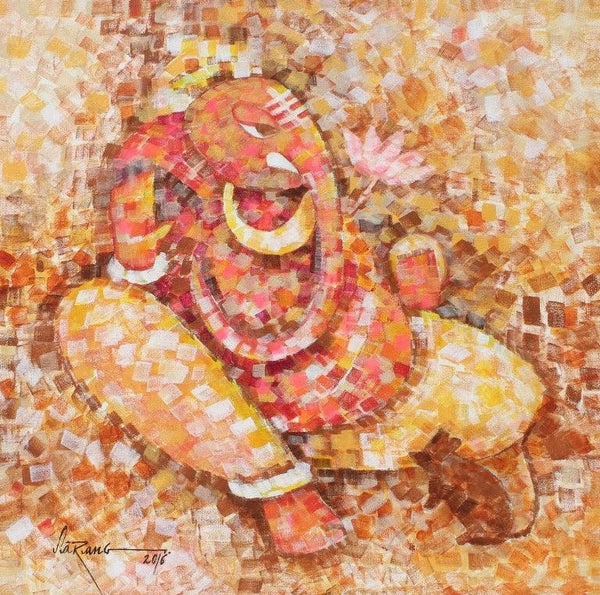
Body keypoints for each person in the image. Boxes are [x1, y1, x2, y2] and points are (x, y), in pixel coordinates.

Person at [56, 77, 544, 554]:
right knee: (93, 316)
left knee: (498, 388)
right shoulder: (172, 181)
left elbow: (354, 290)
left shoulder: (314, 208)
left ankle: (485, 479)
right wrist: (140, 248)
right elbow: (142, 273)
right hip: (235, 399)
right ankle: (280, 489)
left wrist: (413, 301)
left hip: (363, 384)